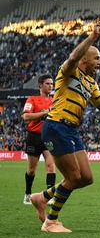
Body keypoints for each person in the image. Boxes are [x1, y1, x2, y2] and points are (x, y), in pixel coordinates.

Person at [30, 20, 100, 233]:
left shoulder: (91, 83)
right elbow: (72, 57)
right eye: (97, 58)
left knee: (86, 178)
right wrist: (92, 37)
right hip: (56, 126)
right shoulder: (68, 73)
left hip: (71, 130)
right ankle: (51, 222)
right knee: (73, 177)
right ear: (84, 59)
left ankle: (42, 198)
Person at [21, 74, 55, 204]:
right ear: (40, 85)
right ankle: (28, 193)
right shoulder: (32, 99)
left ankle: (50, 196)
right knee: (31, 170)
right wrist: (45, 113)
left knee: (51, 166)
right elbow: (26, 117)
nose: (50, 86)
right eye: (47, 83)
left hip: (49, 137)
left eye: (52, 84)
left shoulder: (55, 101)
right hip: (34, 137)